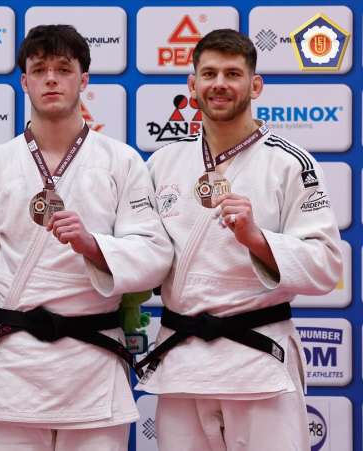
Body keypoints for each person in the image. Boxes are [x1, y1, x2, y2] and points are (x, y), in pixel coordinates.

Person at [0, 24, 172, 450]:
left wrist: (93, 247)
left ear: (84, 79)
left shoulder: (121, 161)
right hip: (16, 361)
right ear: (24, 81)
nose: (51, 79)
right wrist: (14, 294)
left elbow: (154, 255)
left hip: (91, 361)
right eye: (39, 70)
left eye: (63, 69)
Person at [135, 29, 342, 451]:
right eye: (209, 73)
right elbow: (144, 254)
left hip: (257, 361)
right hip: (183, 362)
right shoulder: (162, 163)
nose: (220, 84)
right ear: (192, 85)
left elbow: (326, 266)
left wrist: (257, 239)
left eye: (233, 74)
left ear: (255, 85)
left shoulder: (290, 163)